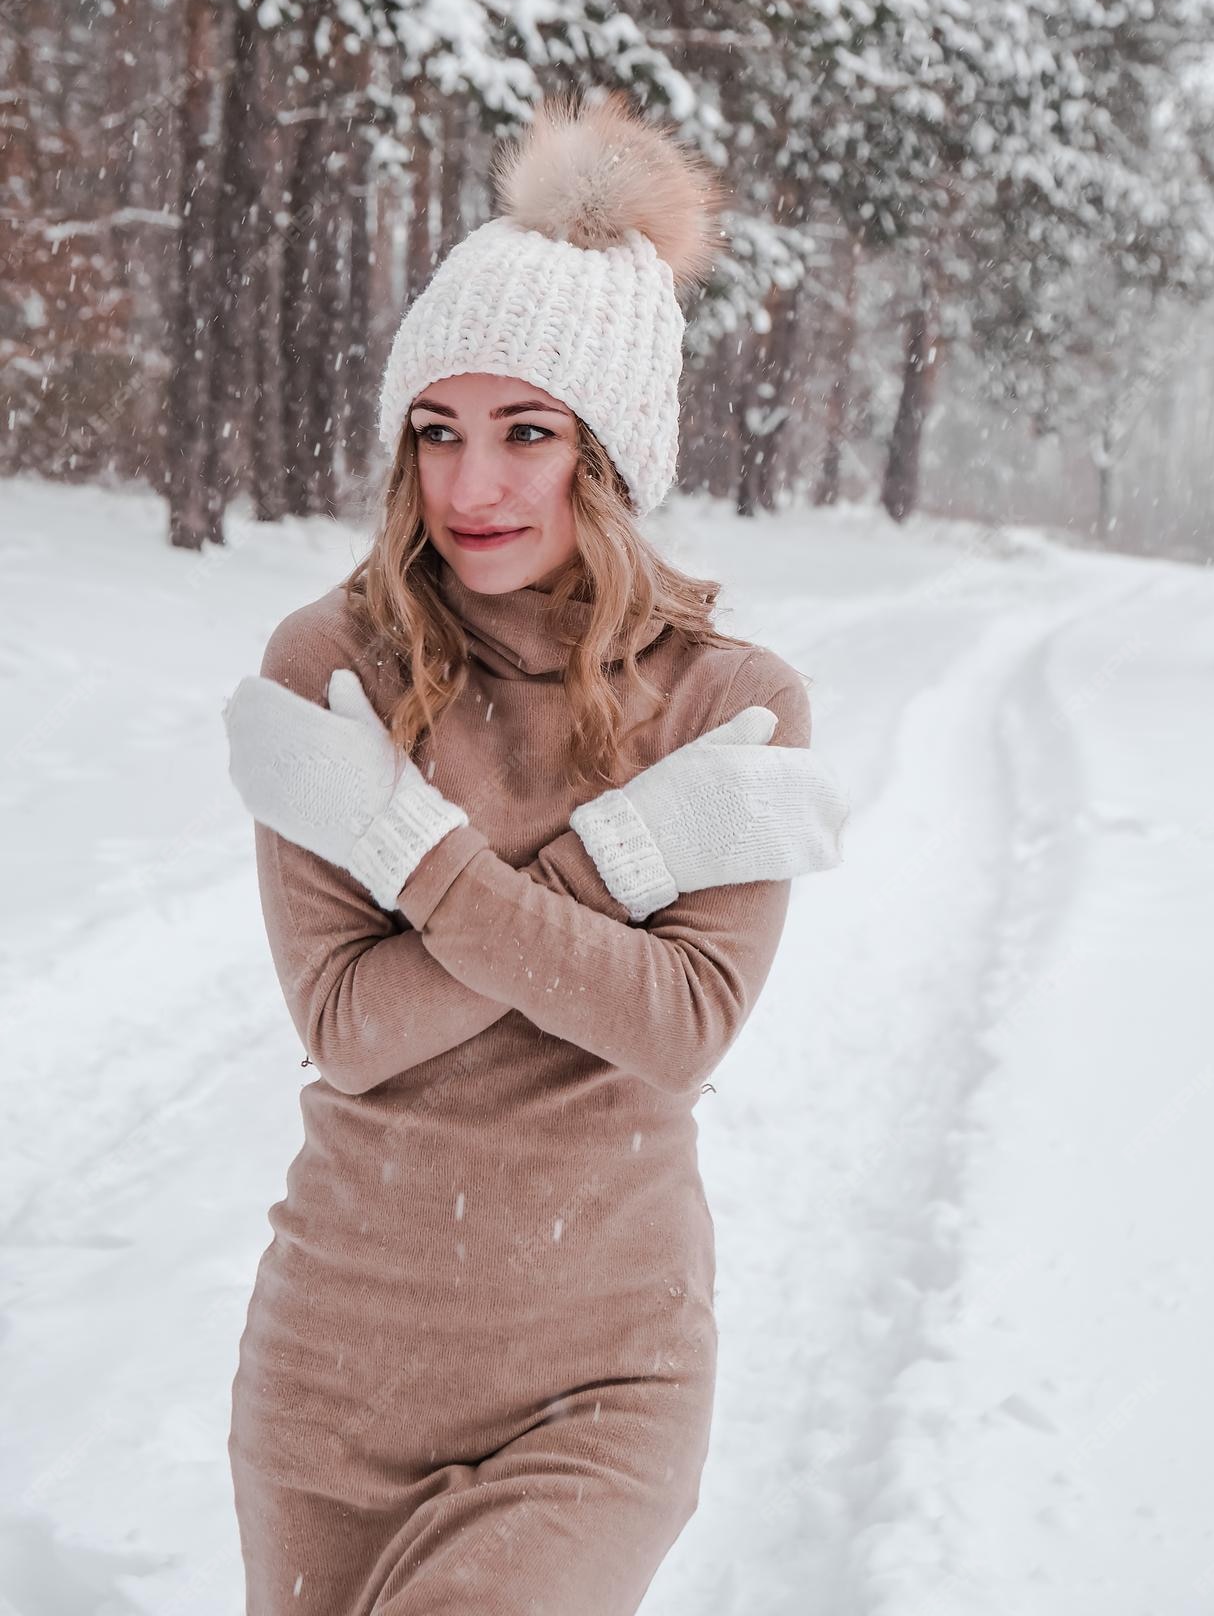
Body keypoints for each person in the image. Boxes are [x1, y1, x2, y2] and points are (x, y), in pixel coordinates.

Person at [221, 87, 849, 1614]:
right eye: (436, 431)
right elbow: (350, 1031)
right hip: (334, 1371)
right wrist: (616, 862)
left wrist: (415, 862)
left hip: (598, 1382)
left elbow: (677, 1024)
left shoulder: (730, 703)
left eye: (525, 433)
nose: (470, 484)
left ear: (609, 450)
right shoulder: (335, 665)